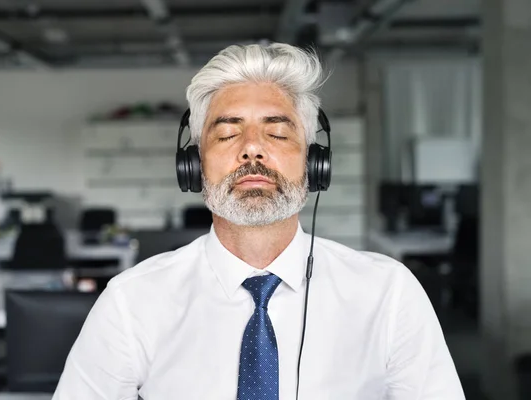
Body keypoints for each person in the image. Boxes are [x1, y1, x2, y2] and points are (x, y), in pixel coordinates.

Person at [53, 43, 465, 400]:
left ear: (314, 163)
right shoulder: (131, 302)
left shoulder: (389, 295)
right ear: (194, 166)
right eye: (228, 134)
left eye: (278, 134)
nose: (252, 149)